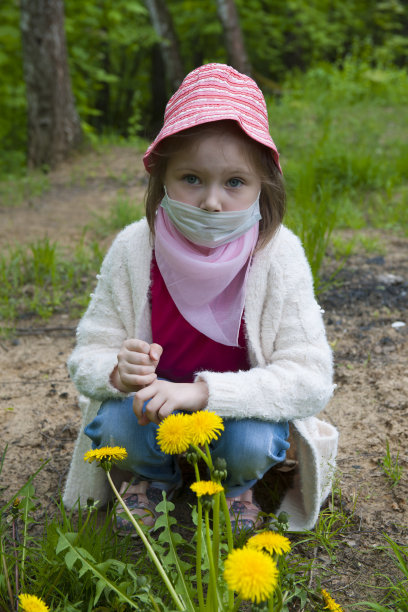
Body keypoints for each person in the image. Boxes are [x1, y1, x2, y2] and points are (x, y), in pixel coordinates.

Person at [63, 63, 338, 533]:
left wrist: (203, 393)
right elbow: (86, 355)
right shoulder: (134, 249)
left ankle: (236, 485)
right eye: (192, 178)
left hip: (238, 418)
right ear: (162, 178)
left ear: (261, 187)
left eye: (234, 183)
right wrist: (115, 369)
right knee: (114, 429)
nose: (212, 202)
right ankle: (151, 478)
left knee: (248, 445)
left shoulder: (278, 255)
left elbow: (310, 379)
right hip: (151, 416)